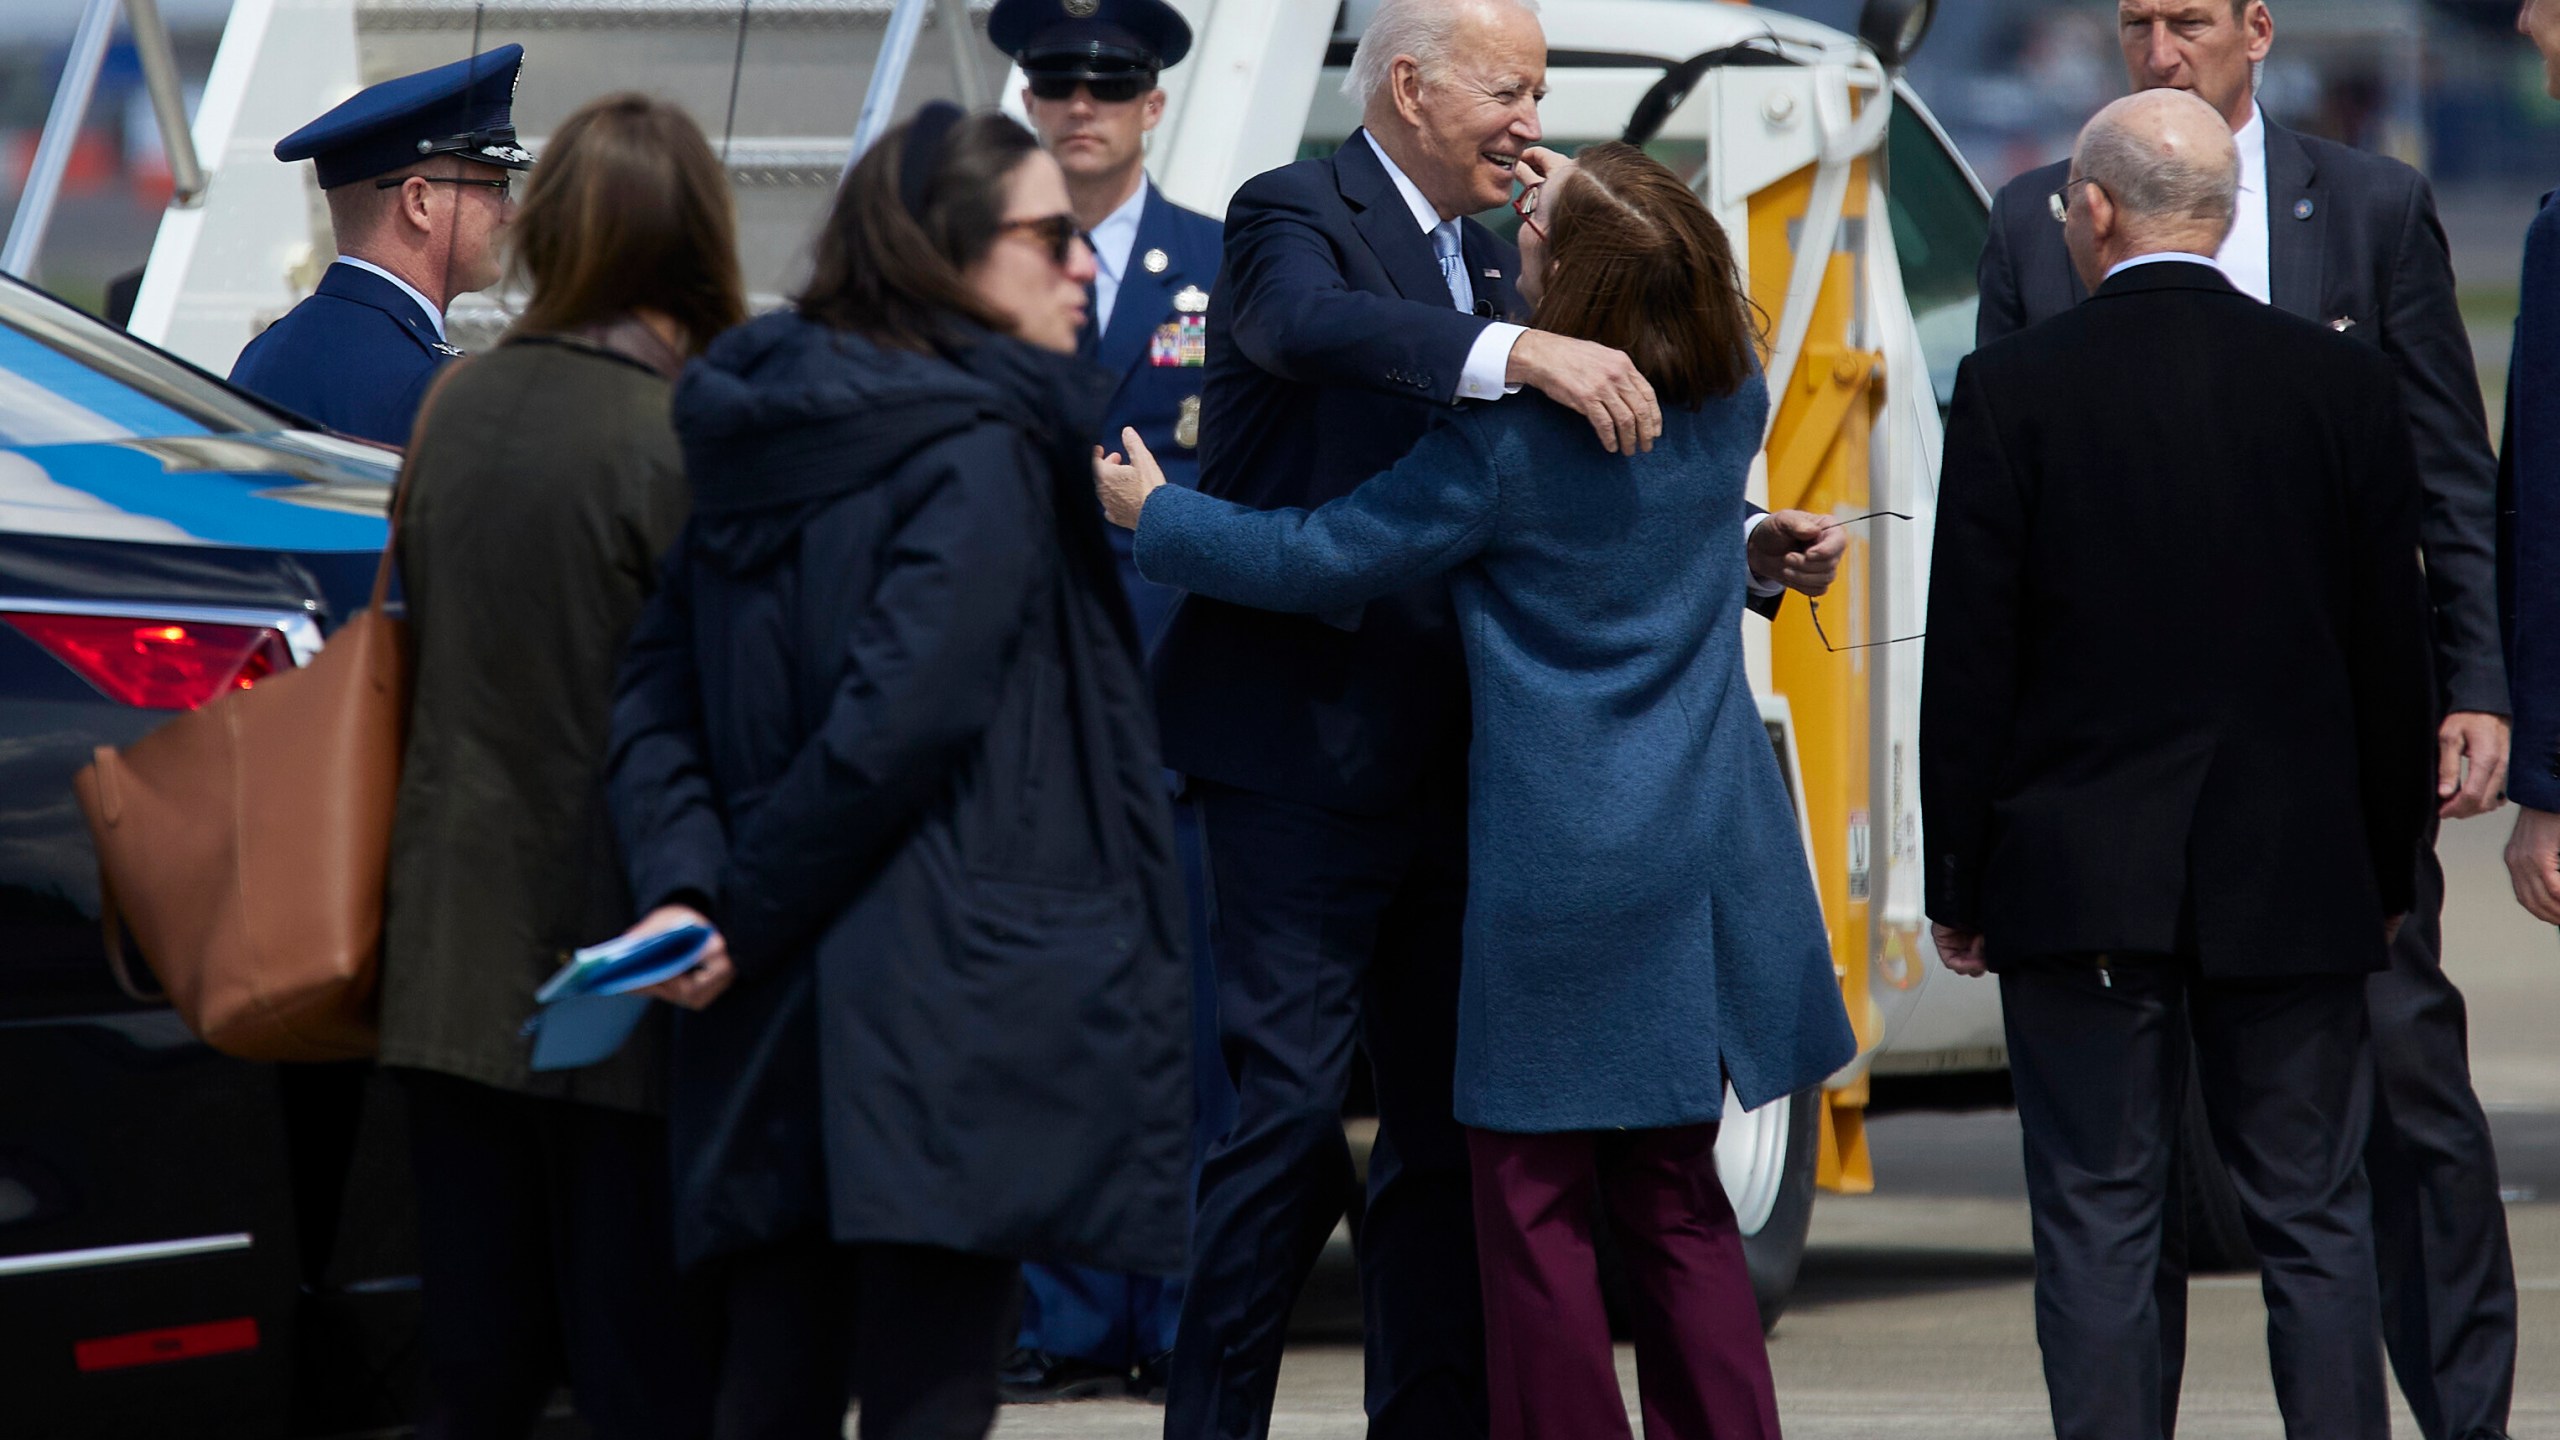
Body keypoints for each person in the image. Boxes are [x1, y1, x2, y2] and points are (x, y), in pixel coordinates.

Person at [1148, 3, 1844, 1435]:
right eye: (1512, 90)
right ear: (1407, 86)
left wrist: (1736, 556)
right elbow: (1295, 326)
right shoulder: (1298, 207)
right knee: (1284, 1130)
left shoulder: (1495, 253)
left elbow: (1552, 528)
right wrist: (1518, 358)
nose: (1535, 125)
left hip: (1479, 796)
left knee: (1455, 1163)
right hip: (1305, 766)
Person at [603, 102, 1194, 1440]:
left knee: (777, 1380)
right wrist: (730, 910)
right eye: (1051, 238)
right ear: (945, 252)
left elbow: (653, 696)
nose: (1085, 264)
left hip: (774, 1014)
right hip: (943, 1014)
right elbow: (895, 730)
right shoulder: (982, 446)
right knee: (927, 1388)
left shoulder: (760, 422)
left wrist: (689, 886)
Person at [1974, 8, 2515, 1436]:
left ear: (2257, 30)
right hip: (2297, 839)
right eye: (2135, 20)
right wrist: (2382, 824)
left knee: (2347, 1142)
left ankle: (2463, 1409)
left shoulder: (2374, 210)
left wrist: (2479, 695)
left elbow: (2450, 498)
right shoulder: (2037, 235)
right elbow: (2372, 619)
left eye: (2188, 17)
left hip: (2123, 845)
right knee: (2308, 1211)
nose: (2158, 43)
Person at [378, 93, 745, 1440]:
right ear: (695, 234)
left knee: (478, 1365)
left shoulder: (457, 407)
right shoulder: (683, 435)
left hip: (451, 956)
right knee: (645, 1370)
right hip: (632, 964)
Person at [985, 0, 1233, 1405]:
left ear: (1151, 108)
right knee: (1052, 1038)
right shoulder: (986, 276)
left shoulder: (1221, 268)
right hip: (1032, 722)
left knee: (1196, 1041)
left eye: (1110, 87)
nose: (1080, 109)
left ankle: (1184, 1310)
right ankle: (1064, 1319)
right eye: (1056, 86)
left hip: (1184, 711)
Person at [232, 44, 531, 446]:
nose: (510, 213)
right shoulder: (426, 385)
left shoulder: (269, 350)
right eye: (498, 188)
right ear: (418, 203)